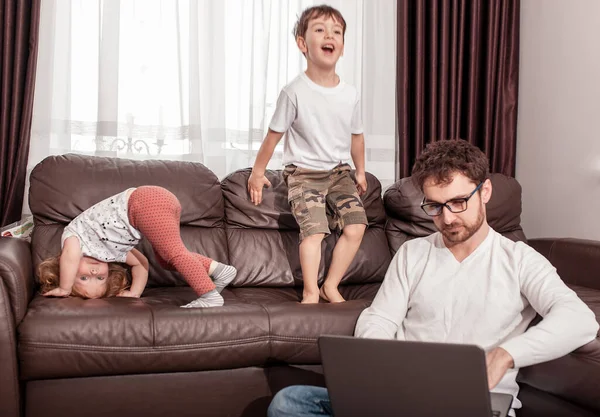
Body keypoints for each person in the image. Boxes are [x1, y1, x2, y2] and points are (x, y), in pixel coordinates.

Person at [267, 139, 599, 416]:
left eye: (458, 202)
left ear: (485, 192)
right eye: (435, 207)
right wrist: (379, 364)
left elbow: (579, 320)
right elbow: (380, 318)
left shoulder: (520, 260)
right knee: (289, 402)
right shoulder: (412, 254)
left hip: (471, 406)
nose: (448, 218)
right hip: (399, 397)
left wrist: (506, 354)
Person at [247, 5, 368, 304]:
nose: (330, 36)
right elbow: (273, 136)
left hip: (339, 173)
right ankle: (311, 292)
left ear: (341, 46)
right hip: (304, 175)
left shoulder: (350, 94)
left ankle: (331, 285)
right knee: (314, 232)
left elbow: (357, 136)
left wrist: (361, 171)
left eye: (336, 32)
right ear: (303, 44)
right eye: (320, 30)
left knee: (356, 226)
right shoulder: (294, 92)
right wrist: (258, 172)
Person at [38, 185, 237, 308]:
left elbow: (70, 256)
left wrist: (64, 288)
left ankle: (209, 295)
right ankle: (220, 270)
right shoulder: (112, 253)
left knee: (174, 253)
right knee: (165, 260)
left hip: (144, 203)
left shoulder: (75, 238)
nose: (93, 270)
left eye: (83, 277)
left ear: (64, 268)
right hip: (155, 203)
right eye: (99, 278)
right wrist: (135, 293)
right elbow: (142, 264)